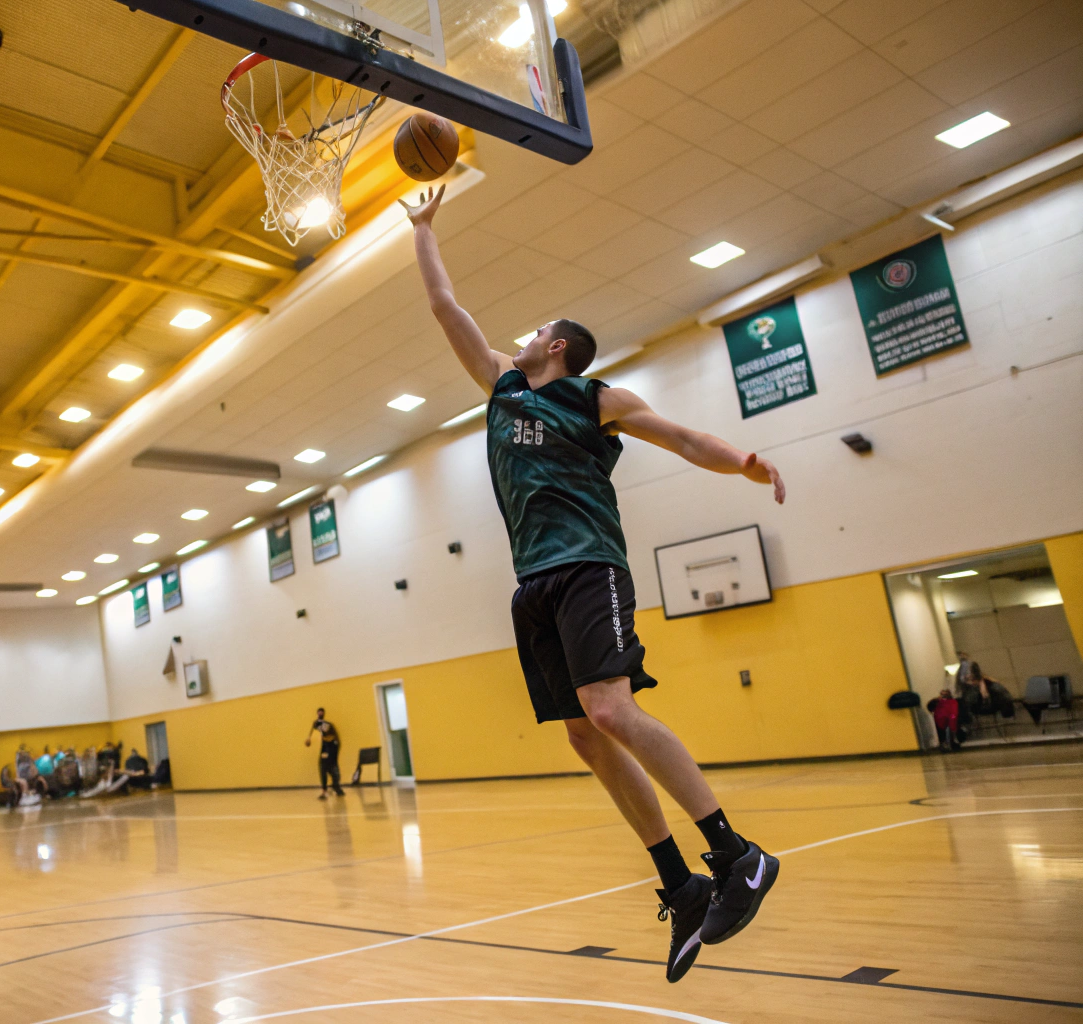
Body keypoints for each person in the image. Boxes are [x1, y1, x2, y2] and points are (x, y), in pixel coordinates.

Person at [403, 185, 786, 984]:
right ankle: (679, 885)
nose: (526, 334)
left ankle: (736, 854)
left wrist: (742, 461)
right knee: (583, 731)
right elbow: (443, 306)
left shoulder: (596, 398)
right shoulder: (502, 390)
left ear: (558, 347)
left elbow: (681, 438)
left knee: (611, 707)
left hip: (587, 565)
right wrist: (424, 229)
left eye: (539, 328)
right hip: (531, 583)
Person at [305, 708, 345, 799]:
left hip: (333, 747)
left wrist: (318, 724)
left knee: (332, 767)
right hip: (326, 746)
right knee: (323, 767)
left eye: (321, 713)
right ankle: (326, 790)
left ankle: (336, 786)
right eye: (318, 713)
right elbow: (319, 728)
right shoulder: (321, 728)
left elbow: (324, 728)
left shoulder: (328, 726)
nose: (320, 714)